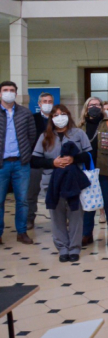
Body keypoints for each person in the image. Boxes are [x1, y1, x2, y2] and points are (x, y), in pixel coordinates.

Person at [31, 105, 92, 262]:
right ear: (51, 118)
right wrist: (53, 162)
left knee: (76, 215)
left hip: (74, 181)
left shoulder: (78, 133)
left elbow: (88, 155)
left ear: (68, 115)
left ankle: (74, 248)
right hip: (52, 182)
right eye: (56, 115)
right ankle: (62, 248)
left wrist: (73, 159)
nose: (60, 117)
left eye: (63, 114)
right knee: (57, 216)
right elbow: (35, 160)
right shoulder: (45, 136)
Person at [78, 97, 108, 247]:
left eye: (97, 105)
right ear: (86, 107)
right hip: (86, 171)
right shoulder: (80, 126)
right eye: (91, 105)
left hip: (105, 170)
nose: (94, 107)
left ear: (102, 107)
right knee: (87, 203)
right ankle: (86, 233)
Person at [0, 81, 37, 246]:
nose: (9, 92)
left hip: (21, 163)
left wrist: (26, 154)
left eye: (12, 90)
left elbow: (32, 136)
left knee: (22, 200)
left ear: (16, 93)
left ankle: (21, 232)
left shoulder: (25, 113)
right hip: (1, 164)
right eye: (5, 90)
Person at [26, 91, 54, 230]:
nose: (47, 104)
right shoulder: (33, 118)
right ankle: (30, 218)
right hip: (36, 161)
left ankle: (59, 218)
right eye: (45, 102)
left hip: (54, 161)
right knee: (31, 192)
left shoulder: (57, 118)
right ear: (39, 104)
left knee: (57, 190)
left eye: (50, 102)